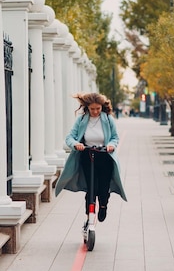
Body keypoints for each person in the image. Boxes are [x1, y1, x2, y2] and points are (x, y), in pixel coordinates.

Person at [54, 92, 127, 223]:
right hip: (87, 156)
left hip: (105, 156)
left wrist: (111, 145)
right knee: (91, 187)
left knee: (103, 188)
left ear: (102, 107)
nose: (95, 111)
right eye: (92, 109)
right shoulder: (82, 120)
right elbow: (69, 137)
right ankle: (89, 216)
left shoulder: (108, 119)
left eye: (98, 108)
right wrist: (76, 144)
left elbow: (115, 137)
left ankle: (103, 206)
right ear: (87, 107)